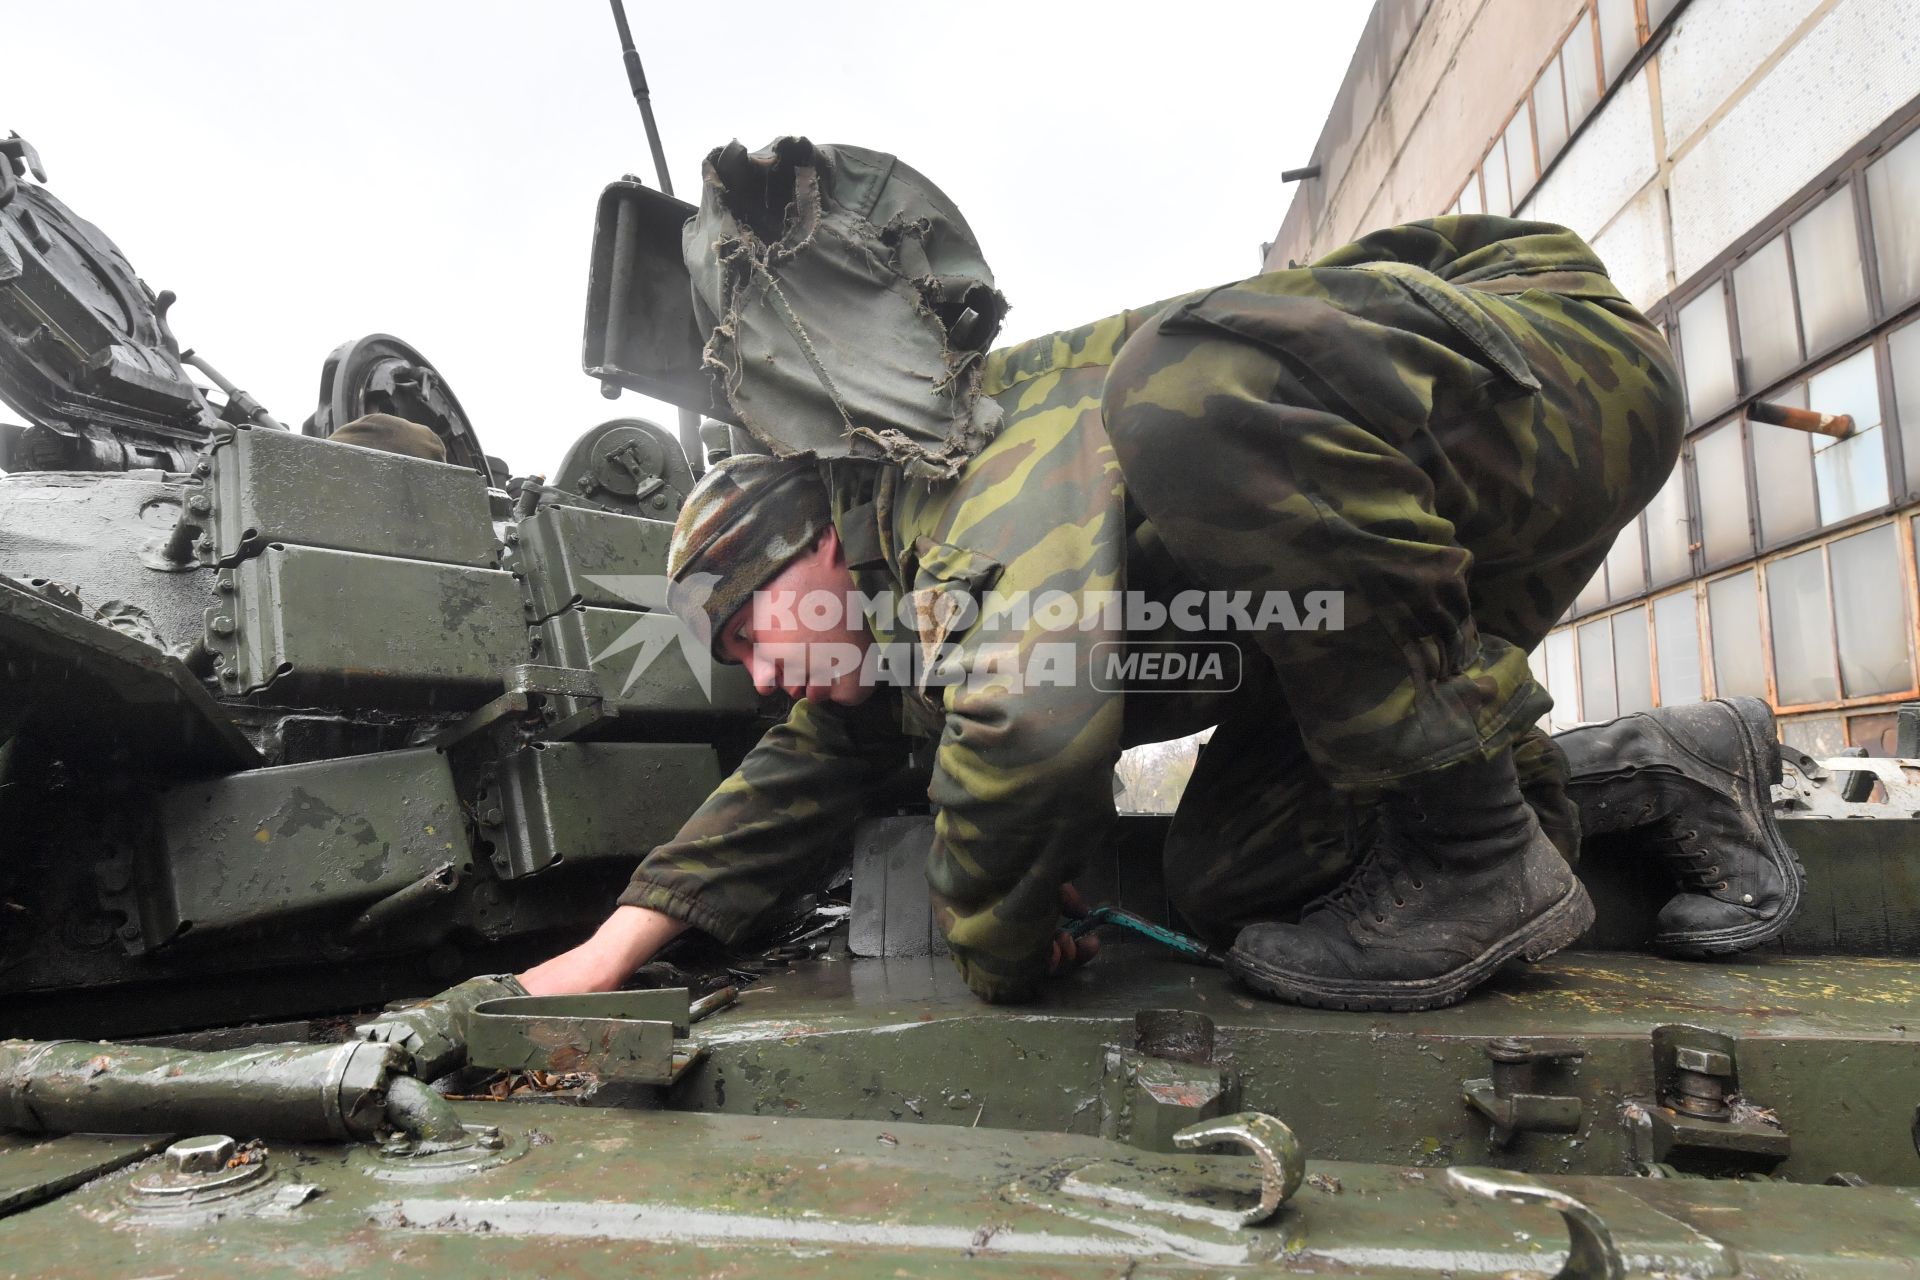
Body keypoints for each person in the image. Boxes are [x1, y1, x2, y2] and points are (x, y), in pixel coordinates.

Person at [513, 136, 1804, 1013]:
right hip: (1421, 536)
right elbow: (797, 774)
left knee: (1188, 391)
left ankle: (1475, 851)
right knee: (1238, 879)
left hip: (1535, 363)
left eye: (743, 625)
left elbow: (1030, 721)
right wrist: (605, 950)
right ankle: (1657, 773)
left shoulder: (964, 472)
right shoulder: (891, 637)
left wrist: (1000, 943)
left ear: (812, 537)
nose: (756, 668)